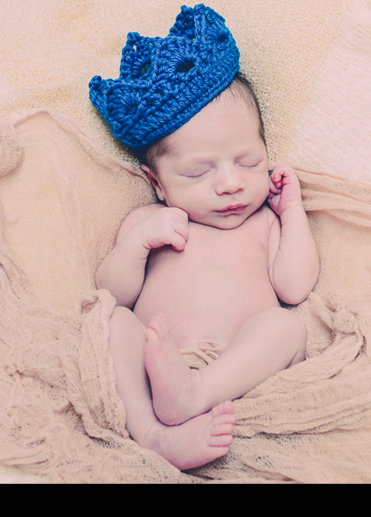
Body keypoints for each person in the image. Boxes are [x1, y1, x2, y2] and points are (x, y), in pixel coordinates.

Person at [89, 4, 319, 470]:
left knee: (287, 328)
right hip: (154, 364)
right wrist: (135, 246)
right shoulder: (148, 222)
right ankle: (153, 433)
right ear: (156, 182)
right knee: (113, 325)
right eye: (199, 171)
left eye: (250, 161)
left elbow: (295, 287)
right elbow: (110, 292)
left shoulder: (264, 223)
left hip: (235, 370)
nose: (231, 184)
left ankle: (194, 393)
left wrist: (292, 214)